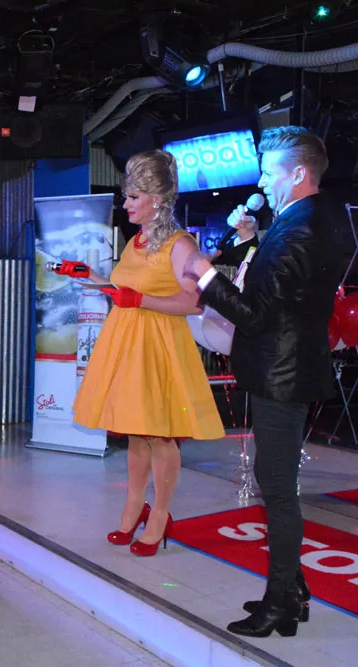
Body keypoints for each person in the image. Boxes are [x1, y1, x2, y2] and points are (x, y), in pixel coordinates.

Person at [185, 126, 354, 638]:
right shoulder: (311, 218)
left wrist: (204, 274)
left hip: (282, 373)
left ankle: (281, 601)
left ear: (298, 173)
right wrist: (250, 241)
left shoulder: (301, 228)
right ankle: (293, 589)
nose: (261, 181)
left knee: (277, 490)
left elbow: (256, 314)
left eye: (268, 172)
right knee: (274, 481)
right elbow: (284, 287)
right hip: (287, 366)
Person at [59, 149, 224, 557]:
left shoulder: (180, 244)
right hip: (127, 341)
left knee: (160, 435)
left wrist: (141, 300)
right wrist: (93, 278)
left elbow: (194, 303)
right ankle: (134, 507)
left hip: (159, 346)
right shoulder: (136, 241)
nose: (126, 203)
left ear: (158, 199)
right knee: (137, 431)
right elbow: (124, 293)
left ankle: (160, 515)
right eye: (127, 196)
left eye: (134, 197)